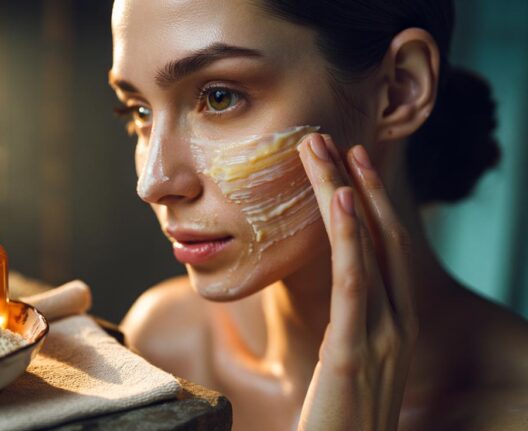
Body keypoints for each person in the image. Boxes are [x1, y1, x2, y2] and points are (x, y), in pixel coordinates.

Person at [108, 1, 528, 429]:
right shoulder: (165, 345)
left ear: (400, 89)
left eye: (220, 97)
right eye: (139, 111)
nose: (154, 183)